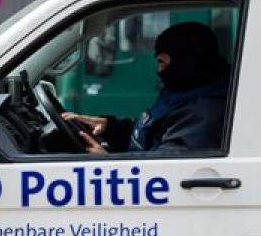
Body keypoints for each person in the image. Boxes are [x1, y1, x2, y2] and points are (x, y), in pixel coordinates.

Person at [64, 21, 231, 154]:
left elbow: (166, 172)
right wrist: (110, 127)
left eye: (163, 63)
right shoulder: (186, 93)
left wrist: (108, 166)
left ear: (187, 63)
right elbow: (151, 134)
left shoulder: (202, 111)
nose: (159, 71)